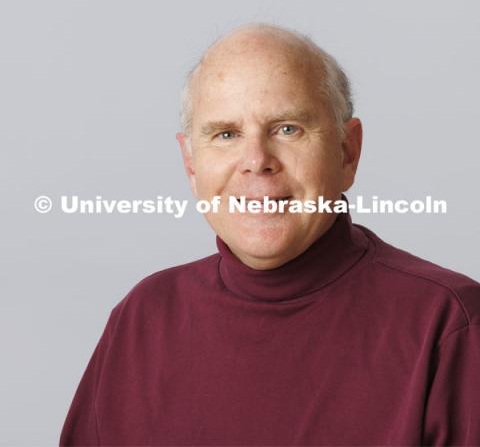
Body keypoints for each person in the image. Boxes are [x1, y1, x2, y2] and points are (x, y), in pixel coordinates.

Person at [60, 23, 480, 446]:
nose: (256, 161)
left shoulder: (449, 323)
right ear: (191, 164)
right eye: (226, 134)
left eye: (287, 129)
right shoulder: (143, 318)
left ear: (347, 151)